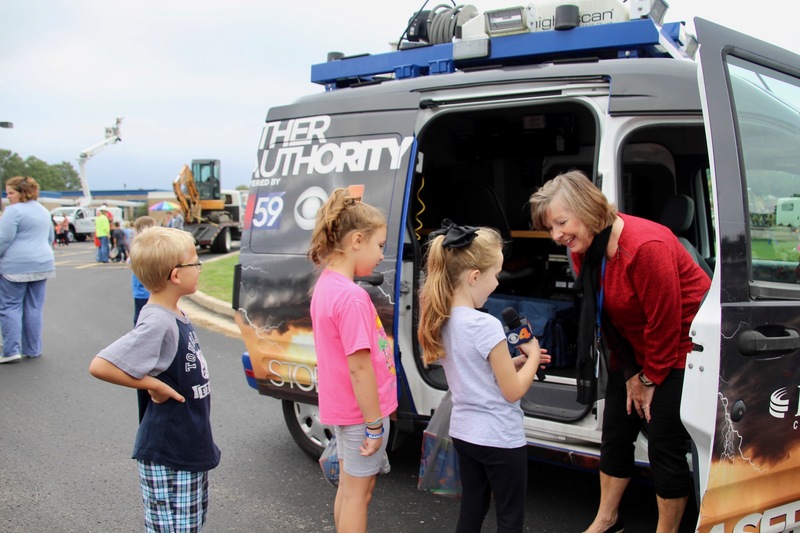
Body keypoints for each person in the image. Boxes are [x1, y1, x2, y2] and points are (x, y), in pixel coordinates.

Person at [528, 171, 711, 533]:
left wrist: (649, 378)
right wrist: (630, 372)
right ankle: (608, 519)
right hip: (634, 349)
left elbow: (665, 323)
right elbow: (605, 318)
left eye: (562, 223)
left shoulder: (646, 248)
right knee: (615, 430)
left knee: (663, 443)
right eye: (550, 228)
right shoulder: (585, 250)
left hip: (681, 350)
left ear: (590, 210)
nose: (557, 236)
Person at [417, 219, 550, 533]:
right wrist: (531, 357)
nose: (498, 283)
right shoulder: (485, 325)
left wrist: (513, 361)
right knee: (509, 517)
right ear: (474, 276)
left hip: (465, 434)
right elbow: (513, 391)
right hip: (500, 438)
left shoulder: (443, 319)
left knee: (472, 511)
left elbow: (476, 369)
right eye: (495, 274)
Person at [88, 226, 221, 532]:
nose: (200, 267)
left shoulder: (173, 313)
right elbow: (100, 365)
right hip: (169, 451)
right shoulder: (158, 321)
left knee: (190, 525)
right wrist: (154, 384)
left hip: (188, 444)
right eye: (195, 261)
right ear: (176, 275)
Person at [307, 188, 397, 533]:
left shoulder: (326, 286)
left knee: (348, 489)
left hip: (344, 410)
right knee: (360, 494)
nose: (381, 255)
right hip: (363, 415)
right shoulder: (353, 297)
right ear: (357, 240)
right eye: (379, 245)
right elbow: (360, 368)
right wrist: (375, 423)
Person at [0, 176, 56, 363]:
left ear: (22, 192)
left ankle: (11, 350)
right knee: (34, 307)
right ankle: (32, 348)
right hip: (42, 262)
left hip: (15, 265)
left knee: (10, 306)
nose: (8, 197)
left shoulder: (13, 211)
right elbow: (50, 237)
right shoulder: (43, 210)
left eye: (11, 193)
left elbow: (4, 239)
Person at [131, 216, 157, 327]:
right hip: (150, 291)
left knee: (140, 320)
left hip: (141, 291)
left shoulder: (138, 247)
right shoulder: (152, 246)